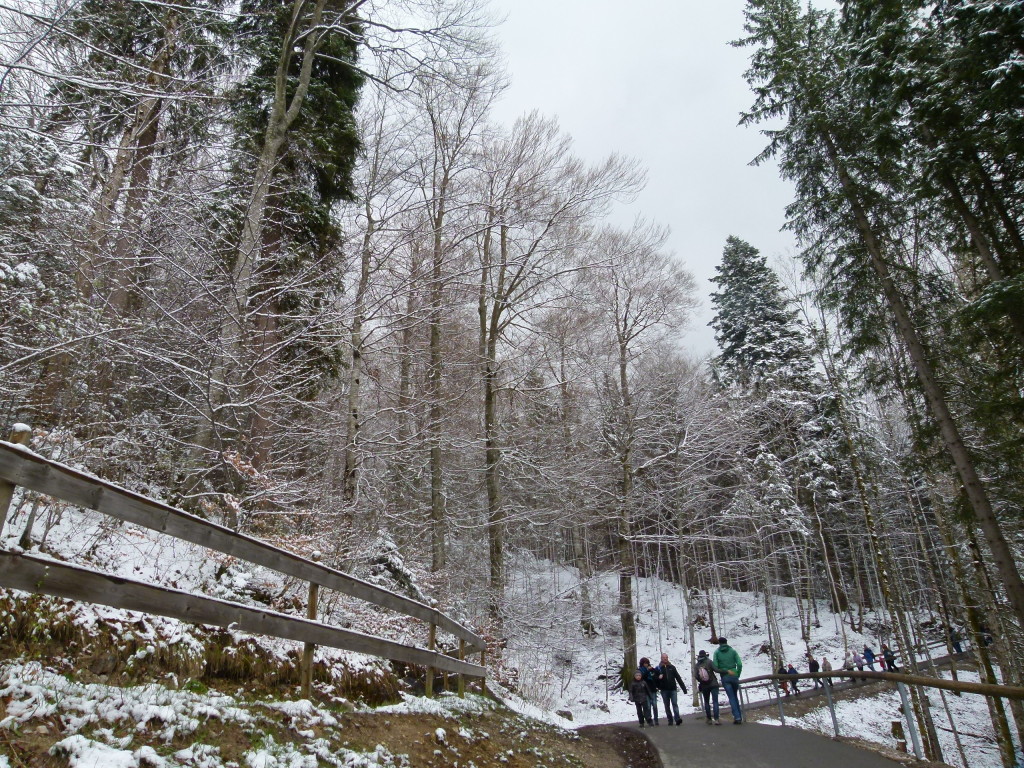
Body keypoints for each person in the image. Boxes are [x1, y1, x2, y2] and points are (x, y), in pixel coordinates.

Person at [713, 637, 743, 724]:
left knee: (731, 697)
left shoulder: (717, 653)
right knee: (735, 696)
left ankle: (737, 717)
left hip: (725, 677)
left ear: (719, 643)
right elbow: (740, 664)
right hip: (734, 675)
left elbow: (715, 666)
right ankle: (739, 716)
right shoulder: (733, 651)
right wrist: (737, 673)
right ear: (726, 642)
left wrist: (724, 670)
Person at [655, 653, 687, 725]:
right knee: (667, 705)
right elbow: (655, 680)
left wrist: (683, 688)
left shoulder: (672, 667)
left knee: (675, 704)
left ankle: (677, 718)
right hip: (664, 690)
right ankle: (670, 719)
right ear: (661, 658)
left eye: (666, 657)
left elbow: (678, 678)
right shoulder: (658, 668)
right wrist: (658, 678)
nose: (665, 659)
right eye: (664, 657)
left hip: (673, 689)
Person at [694, 649, 721, 725]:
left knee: (706, 702)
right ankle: (716, 719)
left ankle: (709, 719)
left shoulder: (697, 665)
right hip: (713, 684)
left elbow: (696, 676)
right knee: (715, 701)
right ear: (705, 655)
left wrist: (701, 681)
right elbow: (716, 670)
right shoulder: (709, 661)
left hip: (704, 686)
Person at [638, 657, 660, 725]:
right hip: (645, 690)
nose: (646, 664)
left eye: (647, 663)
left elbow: (657, 674)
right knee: (648, 706)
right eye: (645, 663)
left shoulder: (651, 669)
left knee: (655, 705)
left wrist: (652, 669)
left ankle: (656, 719)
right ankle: (649, 719)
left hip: (652, 689)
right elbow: (642, 677)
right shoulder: (640, 670)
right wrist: (647, 671)